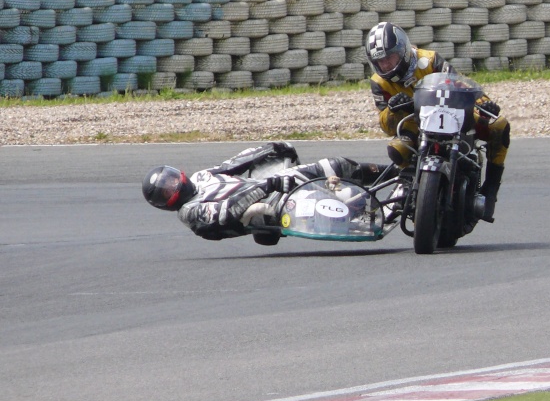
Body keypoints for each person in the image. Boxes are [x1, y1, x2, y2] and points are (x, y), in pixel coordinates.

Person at [365, 21, 511, 221]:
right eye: (380, 61)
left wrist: (484, 103)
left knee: (498, 125)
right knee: (397, 149)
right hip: (415, 125)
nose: (386, 65)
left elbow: (460, 83)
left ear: (403, 50)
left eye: (390, 57)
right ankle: (408, 187)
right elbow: (386, 126)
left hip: (449, 115)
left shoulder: (430, 60)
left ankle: (491, 187)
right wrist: (392, 109)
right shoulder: (379, 82)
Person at [142, 142, 389, 244]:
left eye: (171, 180)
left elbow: (232, 165)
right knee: (293, 203)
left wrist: (266, 149)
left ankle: (394, 172)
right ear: (165, 205)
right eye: (167, 191)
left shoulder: (201, 177)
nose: (173, 186)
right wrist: (267, 186)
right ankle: (364, 214)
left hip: (265, 184)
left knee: (335, 165)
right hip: (261, 210)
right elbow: (228, 211)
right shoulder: (190, 213)